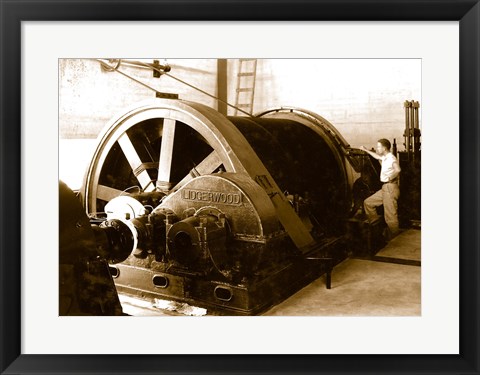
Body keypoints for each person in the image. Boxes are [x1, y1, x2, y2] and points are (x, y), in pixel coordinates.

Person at [360, 139, 401, 240]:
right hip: (385, 188)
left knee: (390, 217)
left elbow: (398, 169)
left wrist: (390, 177)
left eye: (378, 147)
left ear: (384, 148)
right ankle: (377, 229)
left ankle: (395, 242)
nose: (377, 148)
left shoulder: (391, 158)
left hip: (390, 188)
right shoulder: (385, 157)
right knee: (368, 203)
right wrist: (366, 150)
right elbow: (377, 156)